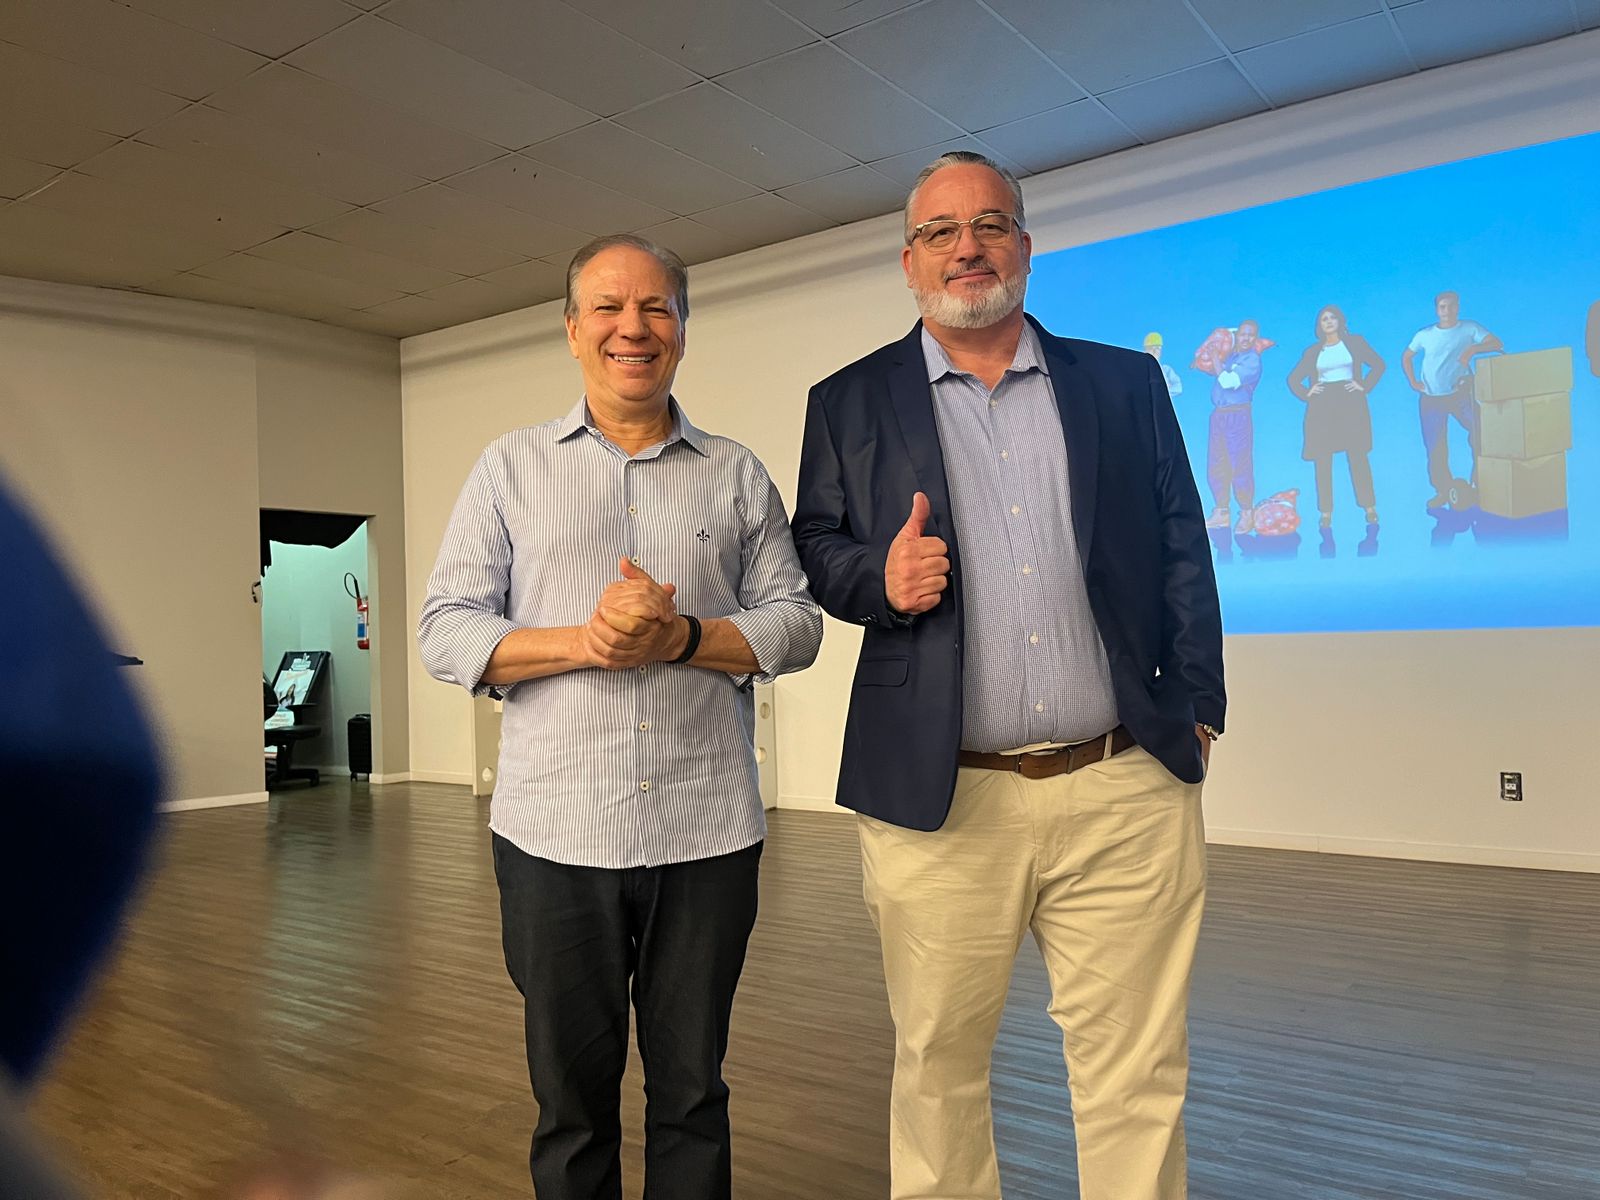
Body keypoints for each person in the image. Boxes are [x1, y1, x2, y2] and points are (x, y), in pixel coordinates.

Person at [793, 151, 1224, 1200]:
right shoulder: (846, 400)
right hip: (939, 798)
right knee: (936, 1069)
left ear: (1024, 247)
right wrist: (878, 579)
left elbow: (1180, 540)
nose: (967, 247)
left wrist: (1198, 703)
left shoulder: (1123, 381)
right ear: (909, 260)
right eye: (941, 231)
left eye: (990, 225)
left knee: (1135, 1073)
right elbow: (816, 545)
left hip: (1122, 784)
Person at [418, 235, 821, 1199]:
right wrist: (586, 643)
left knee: (693, 1095)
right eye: (606, 308)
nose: (631, 328)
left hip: (706, 836)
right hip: (555, 837)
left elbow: (796, 623)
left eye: (655, 308)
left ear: (683, 329)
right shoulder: (508, 468)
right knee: (570, 1104)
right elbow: (444, 630)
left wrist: (681, 636)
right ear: (571, 330)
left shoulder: (735, 474)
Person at [1285, 305, 1386, 529]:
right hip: (1322, 407)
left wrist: (1364, 385)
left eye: (1332, 318)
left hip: (1351, 403)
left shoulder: (1356, 342)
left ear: (1340, 321)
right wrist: (1306, 393)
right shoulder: (1312, 352)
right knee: (1323, 461)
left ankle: (1369, 508)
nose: (1329, 322)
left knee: (1358, 457)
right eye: (1324, 319)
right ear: (1319, 326)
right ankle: (1326, 512)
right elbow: (1293, 379)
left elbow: (1379, 365)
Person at [1401, 290, 1502, 507]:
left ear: (1458, 307)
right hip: (1431, 399)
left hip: (1460, 394)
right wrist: (1413, 382)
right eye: (1442, 307)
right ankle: (1443, 491)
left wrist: (1474, 348)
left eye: (1451, 306)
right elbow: (1407, 356)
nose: (1447, 311)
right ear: (1437, 310)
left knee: (1481, 432)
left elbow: (1496, 343)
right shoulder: (1425, 335)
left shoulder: (1469, 328)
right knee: (1435, 446)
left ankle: (1481, 484)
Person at [1193, 321, 1267, 533]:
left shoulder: (1252, 360)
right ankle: (1221, 512)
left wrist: (1215, 357)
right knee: (1216, 463)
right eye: (1242, 335)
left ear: (1255, 338)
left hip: (1238, 416)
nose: (1245, 339)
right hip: (1219, 416)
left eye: (1250, 335)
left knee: (1239, 464)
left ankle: (1246, 512)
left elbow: (1227, 381)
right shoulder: (1231, 356)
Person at [1143, 331, 1183, 396]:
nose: (1155, 351)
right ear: (1145, 350)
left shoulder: (1166, 370)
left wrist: (1162, 392)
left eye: (1158, 348)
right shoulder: (1139, 370)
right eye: (1151, 348)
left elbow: (1178, 388)